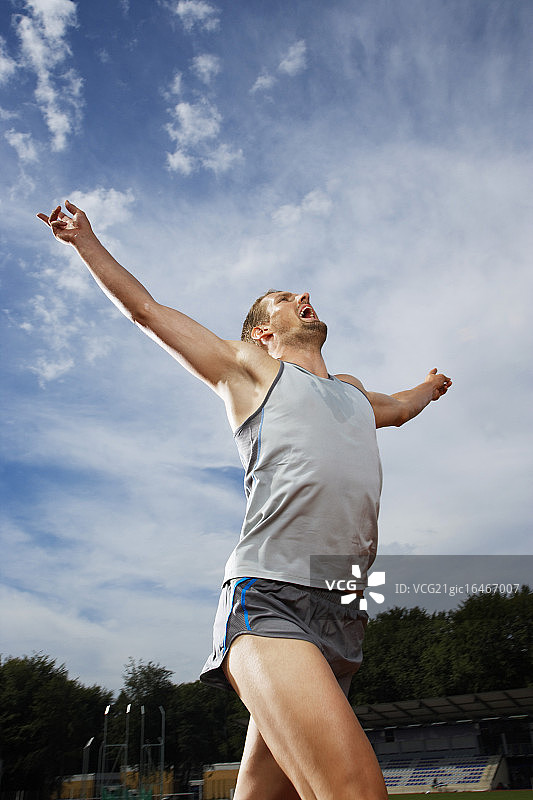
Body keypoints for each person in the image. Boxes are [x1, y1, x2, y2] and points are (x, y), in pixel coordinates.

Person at [38, 201, 451, 800]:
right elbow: (147, 312)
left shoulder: (355, 395)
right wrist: (85, 241)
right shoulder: (251, 371)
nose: (301, 295)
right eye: (284, 298)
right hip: (270, 602)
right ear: (264, 332)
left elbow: (402, 408)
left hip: (342, 614)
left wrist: (431, 387)